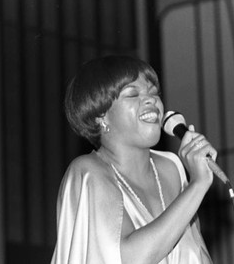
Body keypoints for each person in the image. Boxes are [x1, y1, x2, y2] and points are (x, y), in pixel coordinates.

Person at [51, 55, 216, 264]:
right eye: (132, 94)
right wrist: (198, 185)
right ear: (100, 116)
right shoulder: (88, 172)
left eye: (154, 92)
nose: (151, 100)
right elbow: (129, 258)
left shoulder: (172, 167)